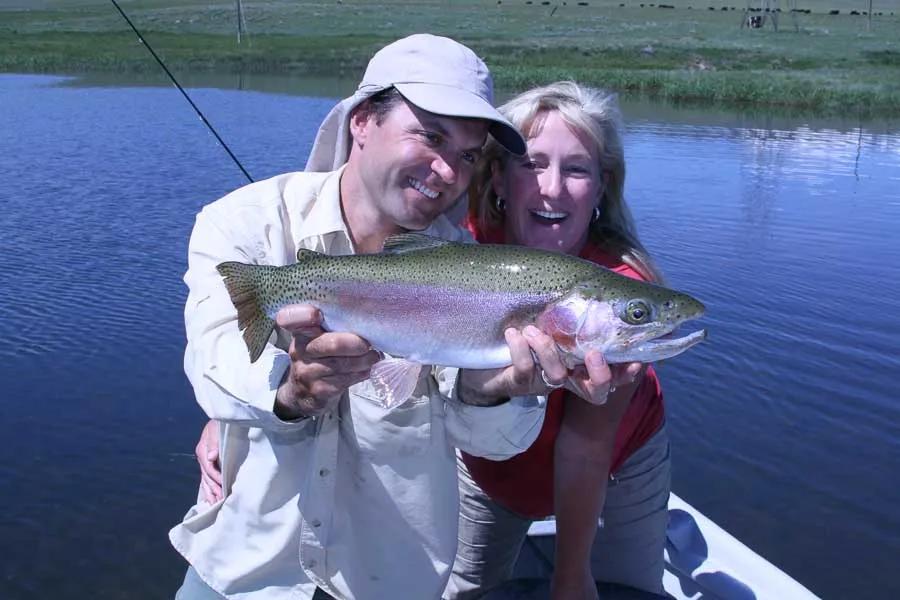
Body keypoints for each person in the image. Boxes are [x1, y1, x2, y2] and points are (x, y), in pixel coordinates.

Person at [171, 36, 630, 600]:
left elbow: (491, 445)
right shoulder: (245, 226)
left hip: (388, 581)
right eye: (430, 136)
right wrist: (287, 393)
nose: (446, 171)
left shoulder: (466, 268)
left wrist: (494, 390)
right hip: (244, 571)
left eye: (467, 156)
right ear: (361, 122)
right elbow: (211, 364)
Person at [443, 82, 671, 600]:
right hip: (488, 465)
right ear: (498, 176)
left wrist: (571, 576)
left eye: (576, 169)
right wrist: (232, 429)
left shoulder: (623, 293)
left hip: (619, 460)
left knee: (624, 591)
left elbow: (585, 447)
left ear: (601, 186)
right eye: (532, 164)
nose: (552, 188)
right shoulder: (458, 246)